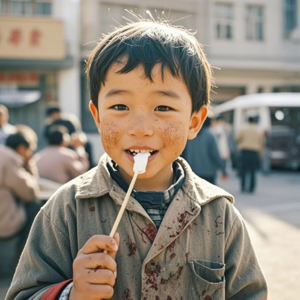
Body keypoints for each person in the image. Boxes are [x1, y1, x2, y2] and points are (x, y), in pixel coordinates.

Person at [6, 19, 267, 300]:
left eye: (163, 107)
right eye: (120, 106)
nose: (140, 127)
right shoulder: (66, 211)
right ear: (97, 116)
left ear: (194, 122)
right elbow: (25, 293)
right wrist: (71, 293)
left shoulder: (221, 218)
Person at [0, 126, 40, 278]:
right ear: (22, 148)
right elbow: (30, 192)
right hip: (5, 224)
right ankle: (23, 259)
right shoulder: (10, 158)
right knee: (36, 207)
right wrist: (30, 166)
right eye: (30, 150)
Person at [44, 103, 95, 168]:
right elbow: (47, 138)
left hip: (70, 142)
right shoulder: (49, 125)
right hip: (56, 146)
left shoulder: (68, 121)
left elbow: (75, 134)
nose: (54, 116)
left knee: (87, 144)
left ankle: (89, 167)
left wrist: (70, 141)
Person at [181, 117, 228, 184]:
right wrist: (223, 169)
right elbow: (215, 154)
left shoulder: (189, 135)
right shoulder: (210, 135)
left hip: (192, 171)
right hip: (209, 172)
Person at [236, 116, 264, 193]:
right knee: (253, 171)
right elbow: (261, 142)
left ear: (248, 121)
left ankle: (243, 186)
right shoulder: (258, 130)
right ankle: (252, 187)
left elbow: (237, 138)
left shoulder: (243, 129)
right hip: (254, 152)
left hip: (245, 151)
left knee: (243, 170)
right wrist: (261, 152)